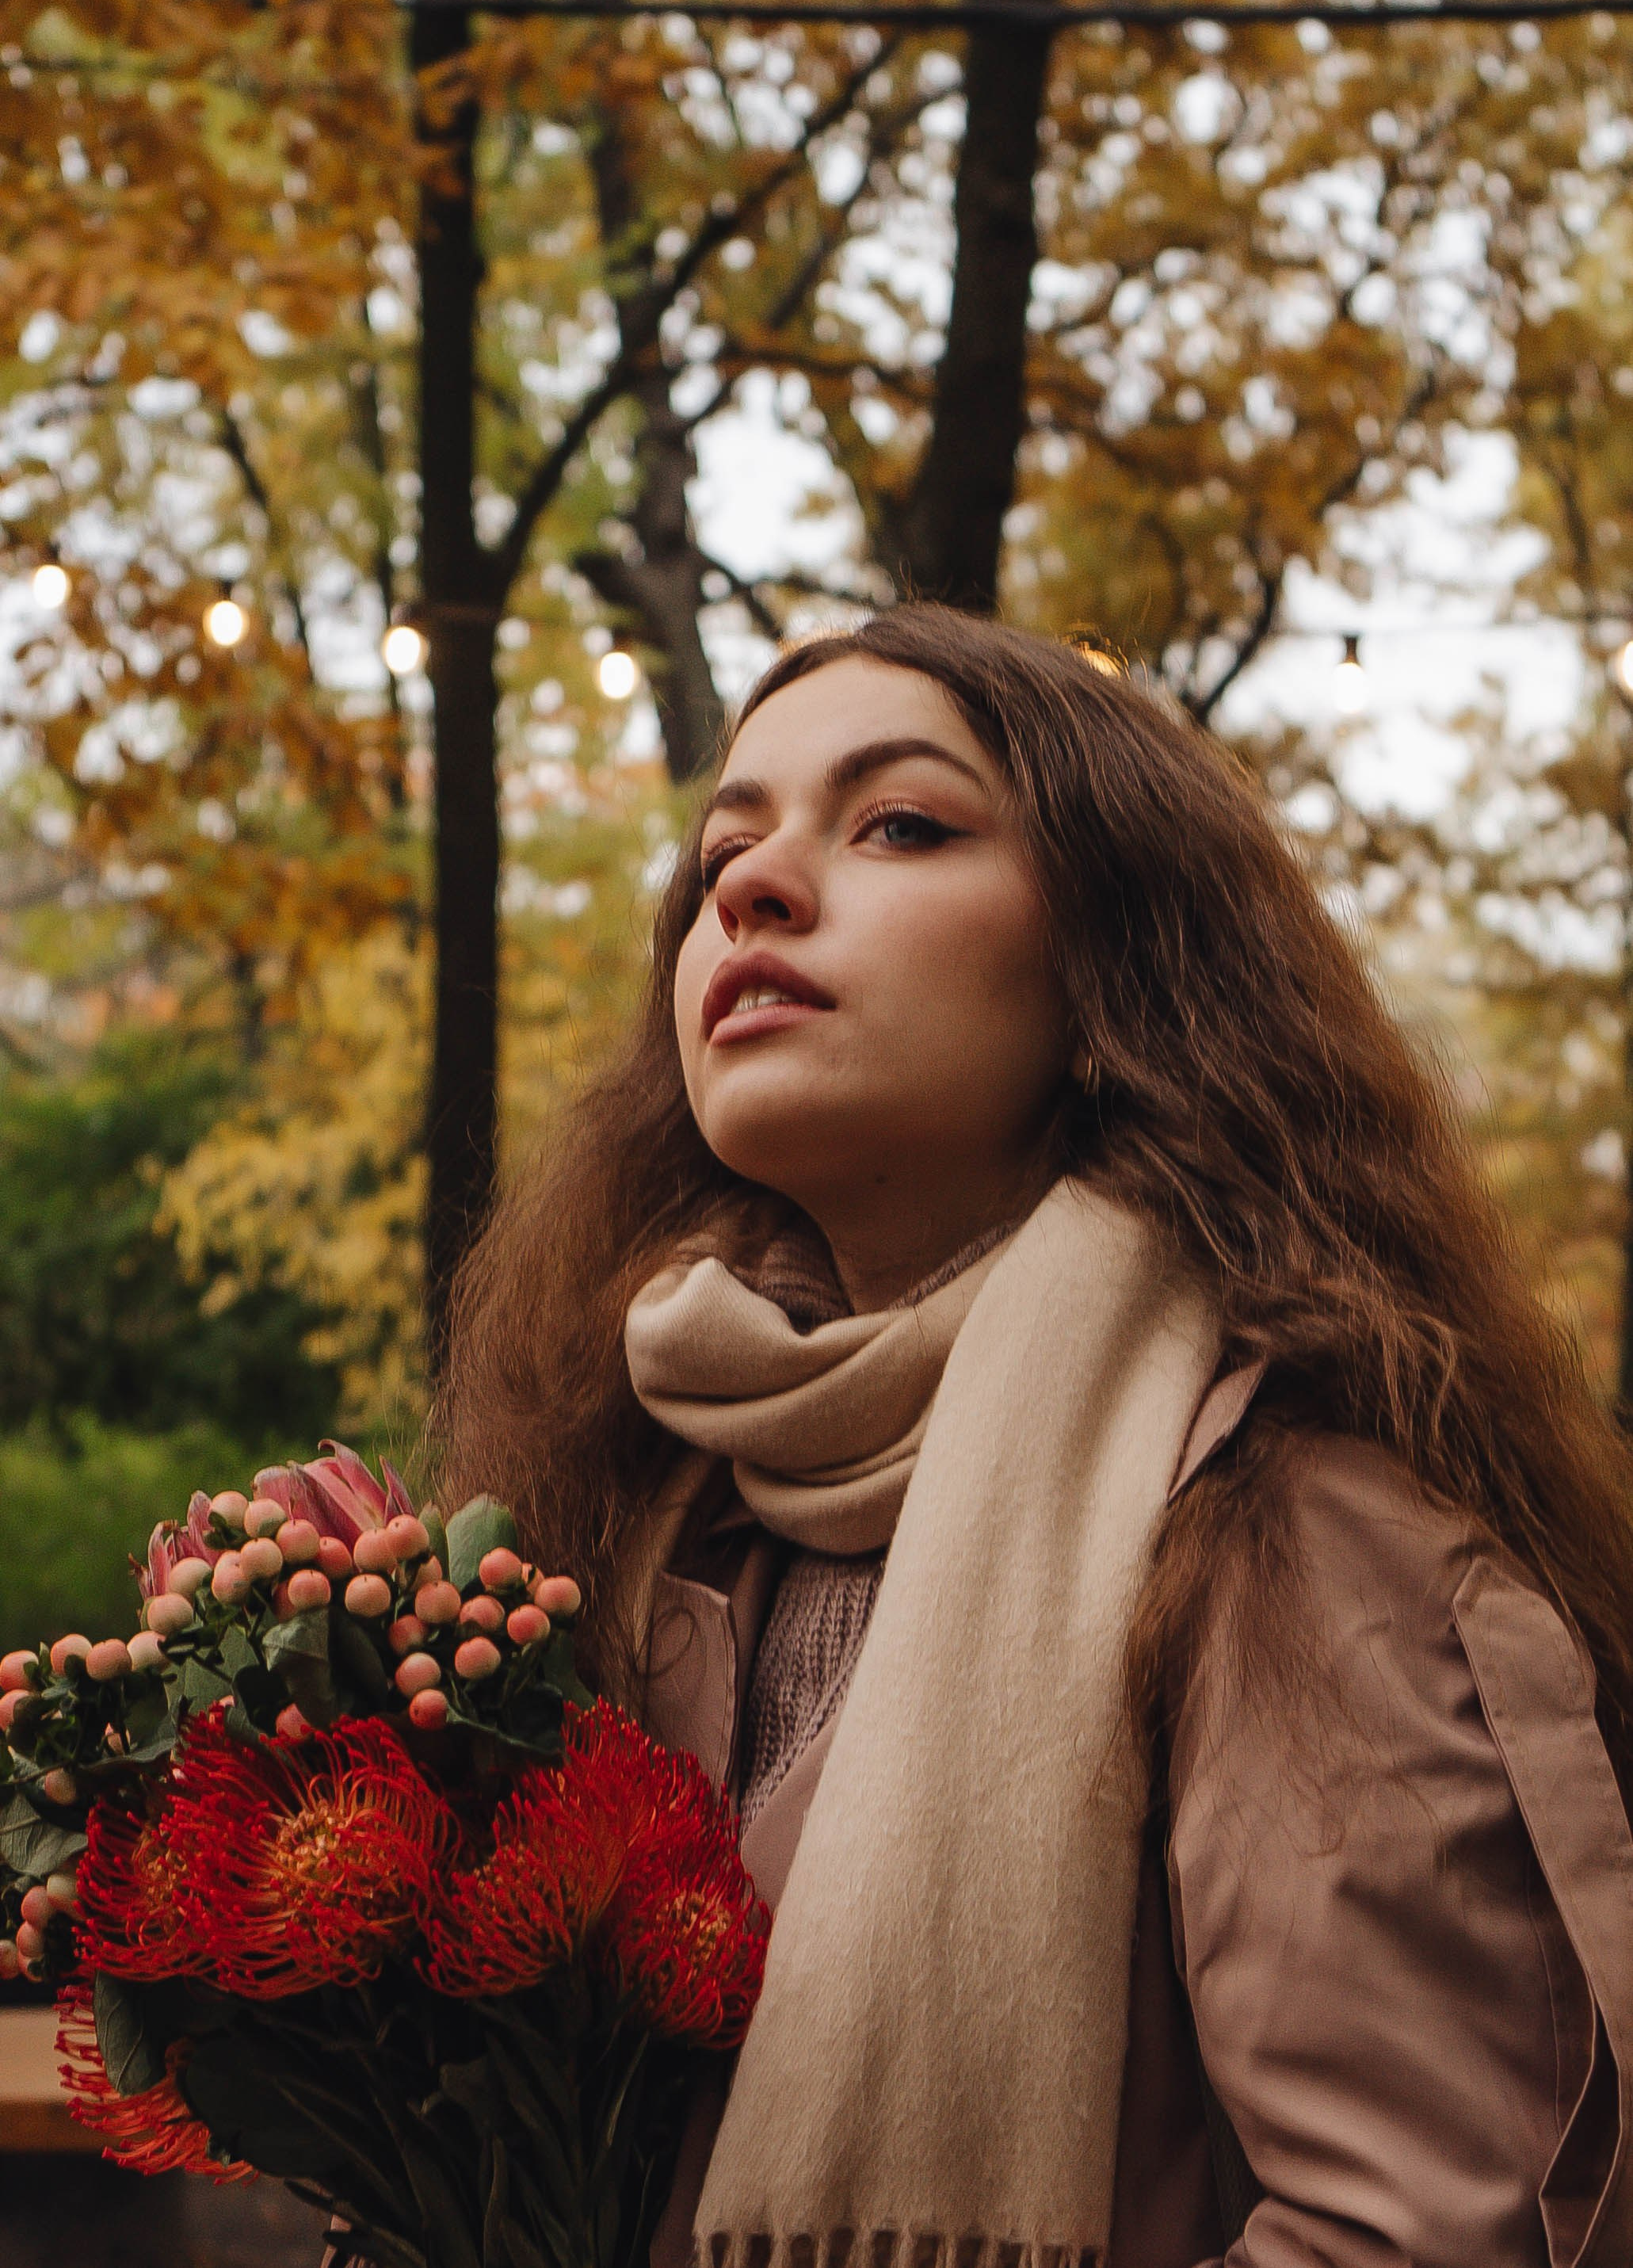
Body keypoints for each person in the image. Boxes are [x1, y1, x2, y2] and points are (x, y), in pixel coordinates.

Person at [435, 602, 1633, 2267]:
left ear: (1115, 970)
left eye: (900, 823)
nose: (747, 887)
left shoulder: (1291, 1536)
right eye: (726, 846)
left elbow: (1428, 2235)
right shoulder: (640, 1512)